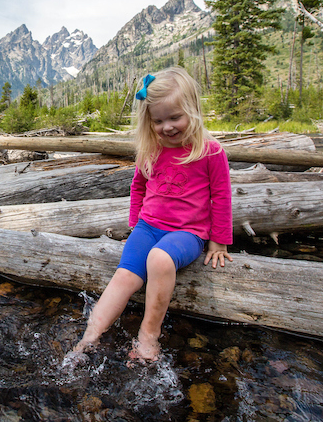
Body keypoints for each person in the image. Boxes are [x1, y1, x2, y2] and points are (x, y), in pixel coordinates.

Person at [66, 67, 233, 364]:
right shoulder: (151, 150)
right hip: (148, 227)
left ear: (192, 111)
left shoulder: (210, 151)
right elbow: (138, 186)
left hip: (188, 233)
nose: (167, 127)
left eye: (175, 118)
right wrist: (135, 224)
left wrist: (219, 241)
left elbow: (220, 196)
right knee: (124, 276)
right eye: (158, 120)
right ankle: (89, 336)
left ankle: (148, 333)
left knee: (159, 259)